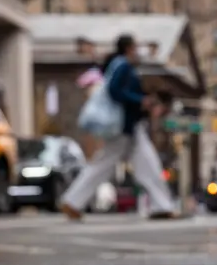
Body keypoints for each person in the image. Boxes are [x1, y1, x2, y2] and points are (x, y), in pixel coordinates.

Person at [60, 34, 179, 221]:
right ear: (129, 48)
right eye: (135, 48)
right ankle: (73, 201)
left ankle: (162, 205)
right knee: (108, 165)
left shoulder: (120, 66)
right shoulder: (122, 65)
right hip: (123, 128)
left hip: (130, 128)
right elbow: (114, 91)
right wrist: (141, 100)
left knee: (146, 166)